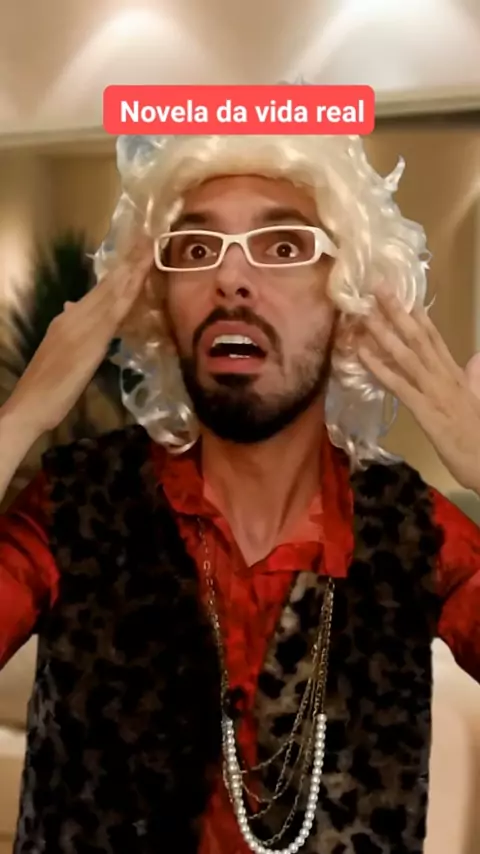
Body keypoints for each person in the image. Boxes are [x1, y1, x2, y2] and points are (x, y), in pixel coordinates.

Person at [0, 133, 479, 854]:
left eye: (283, 246)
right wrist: (20, 419)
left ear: (348, 299)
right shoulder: (75, 506)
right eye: (195, 249)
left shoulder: (412, 531)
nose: (230, 278)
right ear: (161, 306)